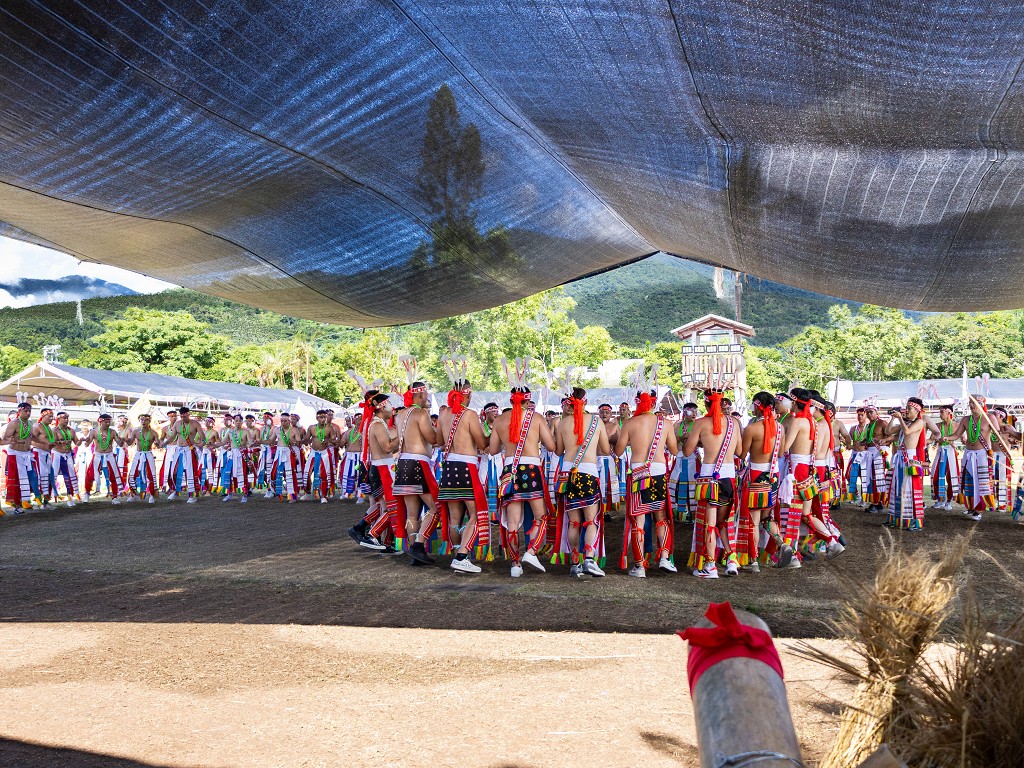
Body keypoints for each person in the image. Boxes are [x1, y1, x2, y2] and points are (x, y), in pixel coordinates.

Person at [488, 380, 556, 578]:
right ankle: (532, 551)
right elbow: (551, 447)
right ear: (528, 401)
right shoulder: (536, 419)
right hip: (532, 470)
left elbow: (493, 450)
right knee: (541, 516)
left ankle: (515, 564)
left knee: (512, 522)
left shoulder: (500, 420)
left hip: (510, 470)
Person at [618, 384, 678, 577]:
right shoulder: (666, 423)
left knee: (639, 521)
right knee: (661, 518)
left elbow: (618, 451)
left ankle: (639, 566)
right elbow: (675, 451)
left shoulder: (630, 423)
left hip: (638, 474)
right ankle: (664, 558)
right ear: (654, 401)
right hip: (659, 473)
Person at [781, 390, 844, 560]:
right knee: (806, 514)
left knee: (792, 514)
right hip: (809, 471)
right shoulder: (813, 422)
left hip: (797, 471)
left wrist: (777, 435)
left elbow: (785, 448)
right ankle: (831, 542)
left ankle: (793, 555)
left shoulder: (798, 421)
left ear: (794, 403)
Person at [683, 389, 739, 579]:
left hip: (709, 478)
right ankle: (731, 560)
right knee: (724, 522)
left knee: (710, 523)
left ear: (706, 404)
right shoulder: (734, 423)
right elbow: (739, 451)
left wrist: (698, 441)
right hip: (729, 477)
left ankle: (710, 565)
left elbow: (688, 450)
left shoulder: (700, 423)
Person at [554, 387, 609, 577]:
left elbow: (558, 451)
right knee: (590, 520)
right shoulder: (597, 421)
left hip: (568, 475)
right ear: (585, 402)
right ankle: (589, 559)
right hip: (588, 473)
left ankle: (575, 563)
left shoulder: (562, 424)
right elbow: (606, 450)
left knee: (574, 522)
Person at [436, 376, 489, 573]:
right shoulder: (470, 415)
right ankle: (462, 556)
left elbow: (440, 441)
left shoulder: (443, 415)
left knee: (455, 518)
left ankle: (457, 554)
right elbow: (482, 444)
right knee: (475, 514)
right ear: (468, 393)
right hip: (466, 467)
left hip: (449, 467)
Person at [739, 392, 794, 572]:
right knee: (767, 517)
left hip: (756, 475)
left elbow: (741, 453)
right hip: (773, 476)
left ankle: (753, 561)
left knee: (753, 521)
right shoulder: (780, 428)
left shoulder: (752, 429)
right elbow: (779, 454)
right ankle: (781, 544)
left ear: (758, 406)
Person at [393, 379, 441, 564]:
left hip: (403, 463)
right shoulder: (420, 414)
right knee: (434, 508)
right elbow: (432, 438)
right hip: (418, 465)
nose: (428, 397)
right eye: (426, 394)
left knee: (412, 513)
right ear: (420, 394)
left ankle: (415, 555)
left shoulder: (401, 414)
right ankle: (418, 546)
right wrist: (442, 427)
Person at [882, 398, 935, 529]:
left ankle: (914, 522)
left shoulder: (919, 422)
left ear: (917, 411)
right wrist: (893, 418)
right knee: (897, 488)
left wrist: (900, 418)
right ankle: (896, 518)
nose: (907, 411)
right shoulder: (905, 422)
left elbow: (907, 432)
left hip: (910, 458)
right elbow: (888, 432)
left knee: (910, 489)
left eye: (909, 408)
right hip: (900, 458)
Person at [951, 398, 996, 521]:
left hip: (982, 454)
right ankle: (971, 506)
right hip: (968, 453)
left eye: (973, 403)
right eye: (970, 403)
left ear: (981, 404)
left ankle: (979, 509)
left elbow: (998, 433)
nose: (971, 406)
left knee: (980, 483)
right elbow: (956, 435)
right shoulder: (966, 419)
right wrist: (946, 438)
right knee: (968, 481)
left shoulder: (989, 418)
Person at [3, 401, 42, 511]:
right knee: (16, 480)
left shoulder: (30, 423)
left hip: (27, 454)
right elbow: (6, 438)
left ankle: (25, 501)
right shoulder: (14, 423)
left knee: (29, 478)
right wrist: (10, 441)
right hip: (15, 454)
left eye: (30, 411)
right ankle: (16, 504)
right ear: (19, 411)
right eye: (26, 411)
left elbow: (31, 437)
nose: (28, 413)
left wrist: (46, 443)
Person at [669, 402, 700, 523]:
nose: (694, 414)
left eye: (696, 412)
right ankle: (679, 512)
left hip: (693, 458)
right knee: (676, 485)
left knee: (693, 486)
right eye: (692, 411)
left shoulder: (698, 424)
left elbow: (701, 442)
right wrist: (682, 437)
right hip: (680, 459)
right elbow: (670, 441)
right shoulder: (677, 425)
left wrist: (691, 438)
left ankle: (693, 514)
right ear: (685, 412)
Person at [83, 413, 124, 503]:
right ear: (100, 422)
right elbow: (87, 444)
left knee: (113, 476)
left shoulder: (112, 432)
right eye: (106, 422)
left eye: (109, 421)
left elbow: (120, 444)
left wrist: (122, 440)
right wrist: (85, 441)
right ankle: (87, 493)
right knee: (90, 475)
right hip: (98, 455)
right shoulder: (94, 431)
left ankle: (115, 497)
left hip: (109, 456)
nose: (108, 423)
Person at [166, 406, 202, 503]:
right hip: (178, 449)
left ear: (188, 414)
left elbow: (203, 438)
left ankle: (192, 495)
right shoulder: (177, 424)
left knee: (190, 473)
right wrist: (164, 443)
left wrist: (201, 444)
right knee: (174, 471)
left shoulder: (195, 424)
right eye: (181, 415)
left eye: (184, 414)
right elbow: (172, 437)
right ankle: (175, 490)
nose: (183, 416)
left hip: (189, 449)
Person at [860, 405, 890, 513]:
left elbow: (890, 437)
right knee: (871, 478)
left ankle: (878, 503)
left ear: (876, 412)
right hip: (869, 454)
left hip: (878, 453)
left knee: (878, 478)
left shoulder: (882, 423)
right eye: (867, 412)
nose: (869, 414)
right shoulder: (868, 426)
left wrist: (883, 442)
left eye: (871, 412)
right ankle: (876, 502)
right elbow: (868, 440)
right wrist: (858, 443)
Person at [930, 404, 960, 511]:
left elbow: (964, 438)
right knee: (936, 475)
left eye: (942, 412)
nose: (940, 414)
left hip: (951, 453)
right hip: (940, 452)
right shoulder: (937, 425)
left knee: (952, 477)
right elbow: (931, 438)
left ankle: (949, 501)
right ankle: (940, 499)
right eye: (940, 412)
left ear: (949, 413)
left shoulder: (957, 425)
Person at [127, 413, 161, 503]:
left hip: (148, 454)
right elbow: (130, 443)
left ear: (149, 421)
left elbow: (158, 444)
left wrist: (158, 444)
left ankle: (152, 495)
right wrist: (125, 440)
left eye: (146, 420)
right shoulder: (135, 431)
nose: (143, 422)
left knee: (151, 476)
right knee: (132, 475)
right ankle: (133, 494)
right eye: (142, 420)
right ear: (139, 421)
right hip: (138, 454)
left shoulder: (154, 432)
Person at [269, 412, 302, 502]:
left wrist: (293, 441)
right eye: (281, 421)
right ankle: (277, 492)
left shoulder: (294, 430)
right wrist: (259, 442)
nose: (283, 423)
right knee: (273, 473)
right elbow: (271, 441)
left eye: (285, 421)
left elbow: (299, 441)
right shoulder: (277, 429)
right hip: (279, 452)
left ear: (289, 421)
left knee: (290, 474)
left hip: (289, 452)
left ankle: (292, 495)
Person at [51, 411, 81, 506]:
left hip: (68, 454)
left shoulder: (71, 430)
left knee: (70, 475)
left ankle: (71, 495)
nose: (66, 420)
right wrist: (60, 442)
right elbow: (52, 442)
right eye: (64, 418)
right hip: (57, 454)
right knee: (54, 474)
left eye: (67, 418)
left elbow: (77, 443)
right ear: (58, 419)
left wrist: (83, 441)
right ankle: (52, 495)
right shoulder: (54, 430)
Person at [304, 410, 333, 503]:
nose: (323, 419)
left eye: (325, 417)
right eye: (321, 417)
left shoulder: (329, 428)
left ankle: (323, 495)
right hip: (313, 453)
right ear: (317, 418)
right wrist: (300, 441)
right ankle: (307, 493)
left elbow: (334, 439)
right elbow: (307, 439)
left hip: (324, 453)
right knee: (306, 473)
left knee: (324, 475)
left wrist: (328, 442)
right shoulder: (311, 428)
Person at [220, 413, 250, 503]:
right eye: (236, 421)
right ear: (234, 422)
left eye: (239, 421)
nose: (238, 422)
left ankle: (245, 494)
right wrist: (213, 445)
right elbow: (222, 443)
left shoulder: (246, 432)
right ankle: (229, 493)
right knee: (228, 473)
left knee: (243, 474)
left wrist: (249, 444)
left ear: (242, 422)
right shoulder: (230, 432)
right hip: (232, 454)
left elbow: (250, 442)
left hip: (242, 454)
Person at [596, 403, 621, 511]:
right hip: (594, 460)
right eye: (602, 412)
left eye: (607, 412)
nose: (604, 414)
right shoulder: (594, 424)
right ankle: (596, 508)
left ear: (611, 414)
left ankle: (605, 510)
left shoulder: (615, 426)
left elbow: (620, 444)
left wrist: (613, 441)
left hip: (608, 459)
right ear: (598, 413)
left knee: (608, 486)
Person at [31, 407, 57, 507]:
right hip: (38, 453)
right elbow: (31, 440)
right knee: (41, 476)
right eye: (49, 416)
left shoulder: (49, 429)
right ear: (43, 416)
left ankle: (46, 500)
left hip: (47, 454)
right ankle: (38, 499)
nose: (51, 418)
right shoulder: (37, 426)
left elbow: (49, 442)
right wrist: (43, 444)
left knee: (49, 476)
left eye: (52, 416)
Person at [845, 408, 869, 507]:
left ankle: (864, 499)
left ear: (866, 416)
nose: (860, 417)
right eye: (858, 415)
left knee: (864, 477)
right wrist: (848, 444)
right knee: (849, 476)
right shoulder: (853, 428)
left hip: (864, 455)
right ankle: (856, 496)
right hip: (854, 455)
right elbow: (848, 440)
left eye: (862, 415)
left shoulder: (868, 428)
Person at [158, 409, 179, 494]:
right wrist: (160, 444)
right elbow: (161, 439)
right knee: (167, 468)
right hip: (169, 449)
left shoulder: (181, 427)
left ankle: (178, 486)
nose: (174, 418)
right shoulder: (165, 428)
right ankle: (166, 486)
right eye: (171, 416)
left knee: (176, 469)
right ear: (168, 417)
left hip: (178, 449)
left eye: (175, 416)